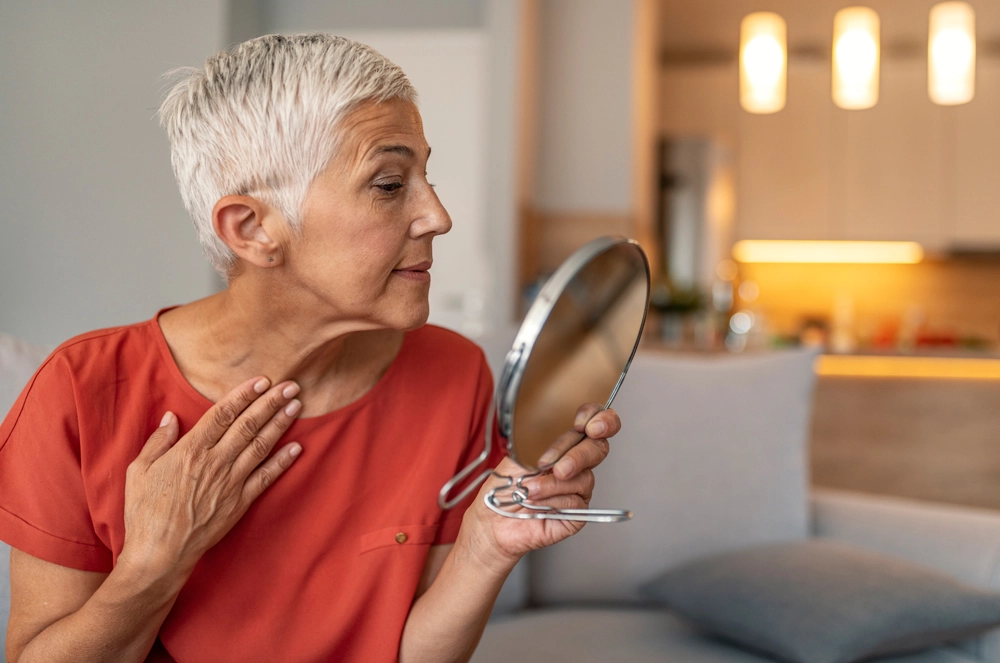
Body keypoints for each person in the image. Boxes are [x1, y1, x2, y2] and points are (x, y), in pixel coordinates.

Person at [0, 34, 621, 663]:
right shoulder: (79, 392)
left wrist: (485, 547)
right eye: (389, 184)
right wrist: (154, 563)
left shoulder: (453, 375)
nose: (437, 215)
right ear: (253, 229)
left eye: (424, 176)